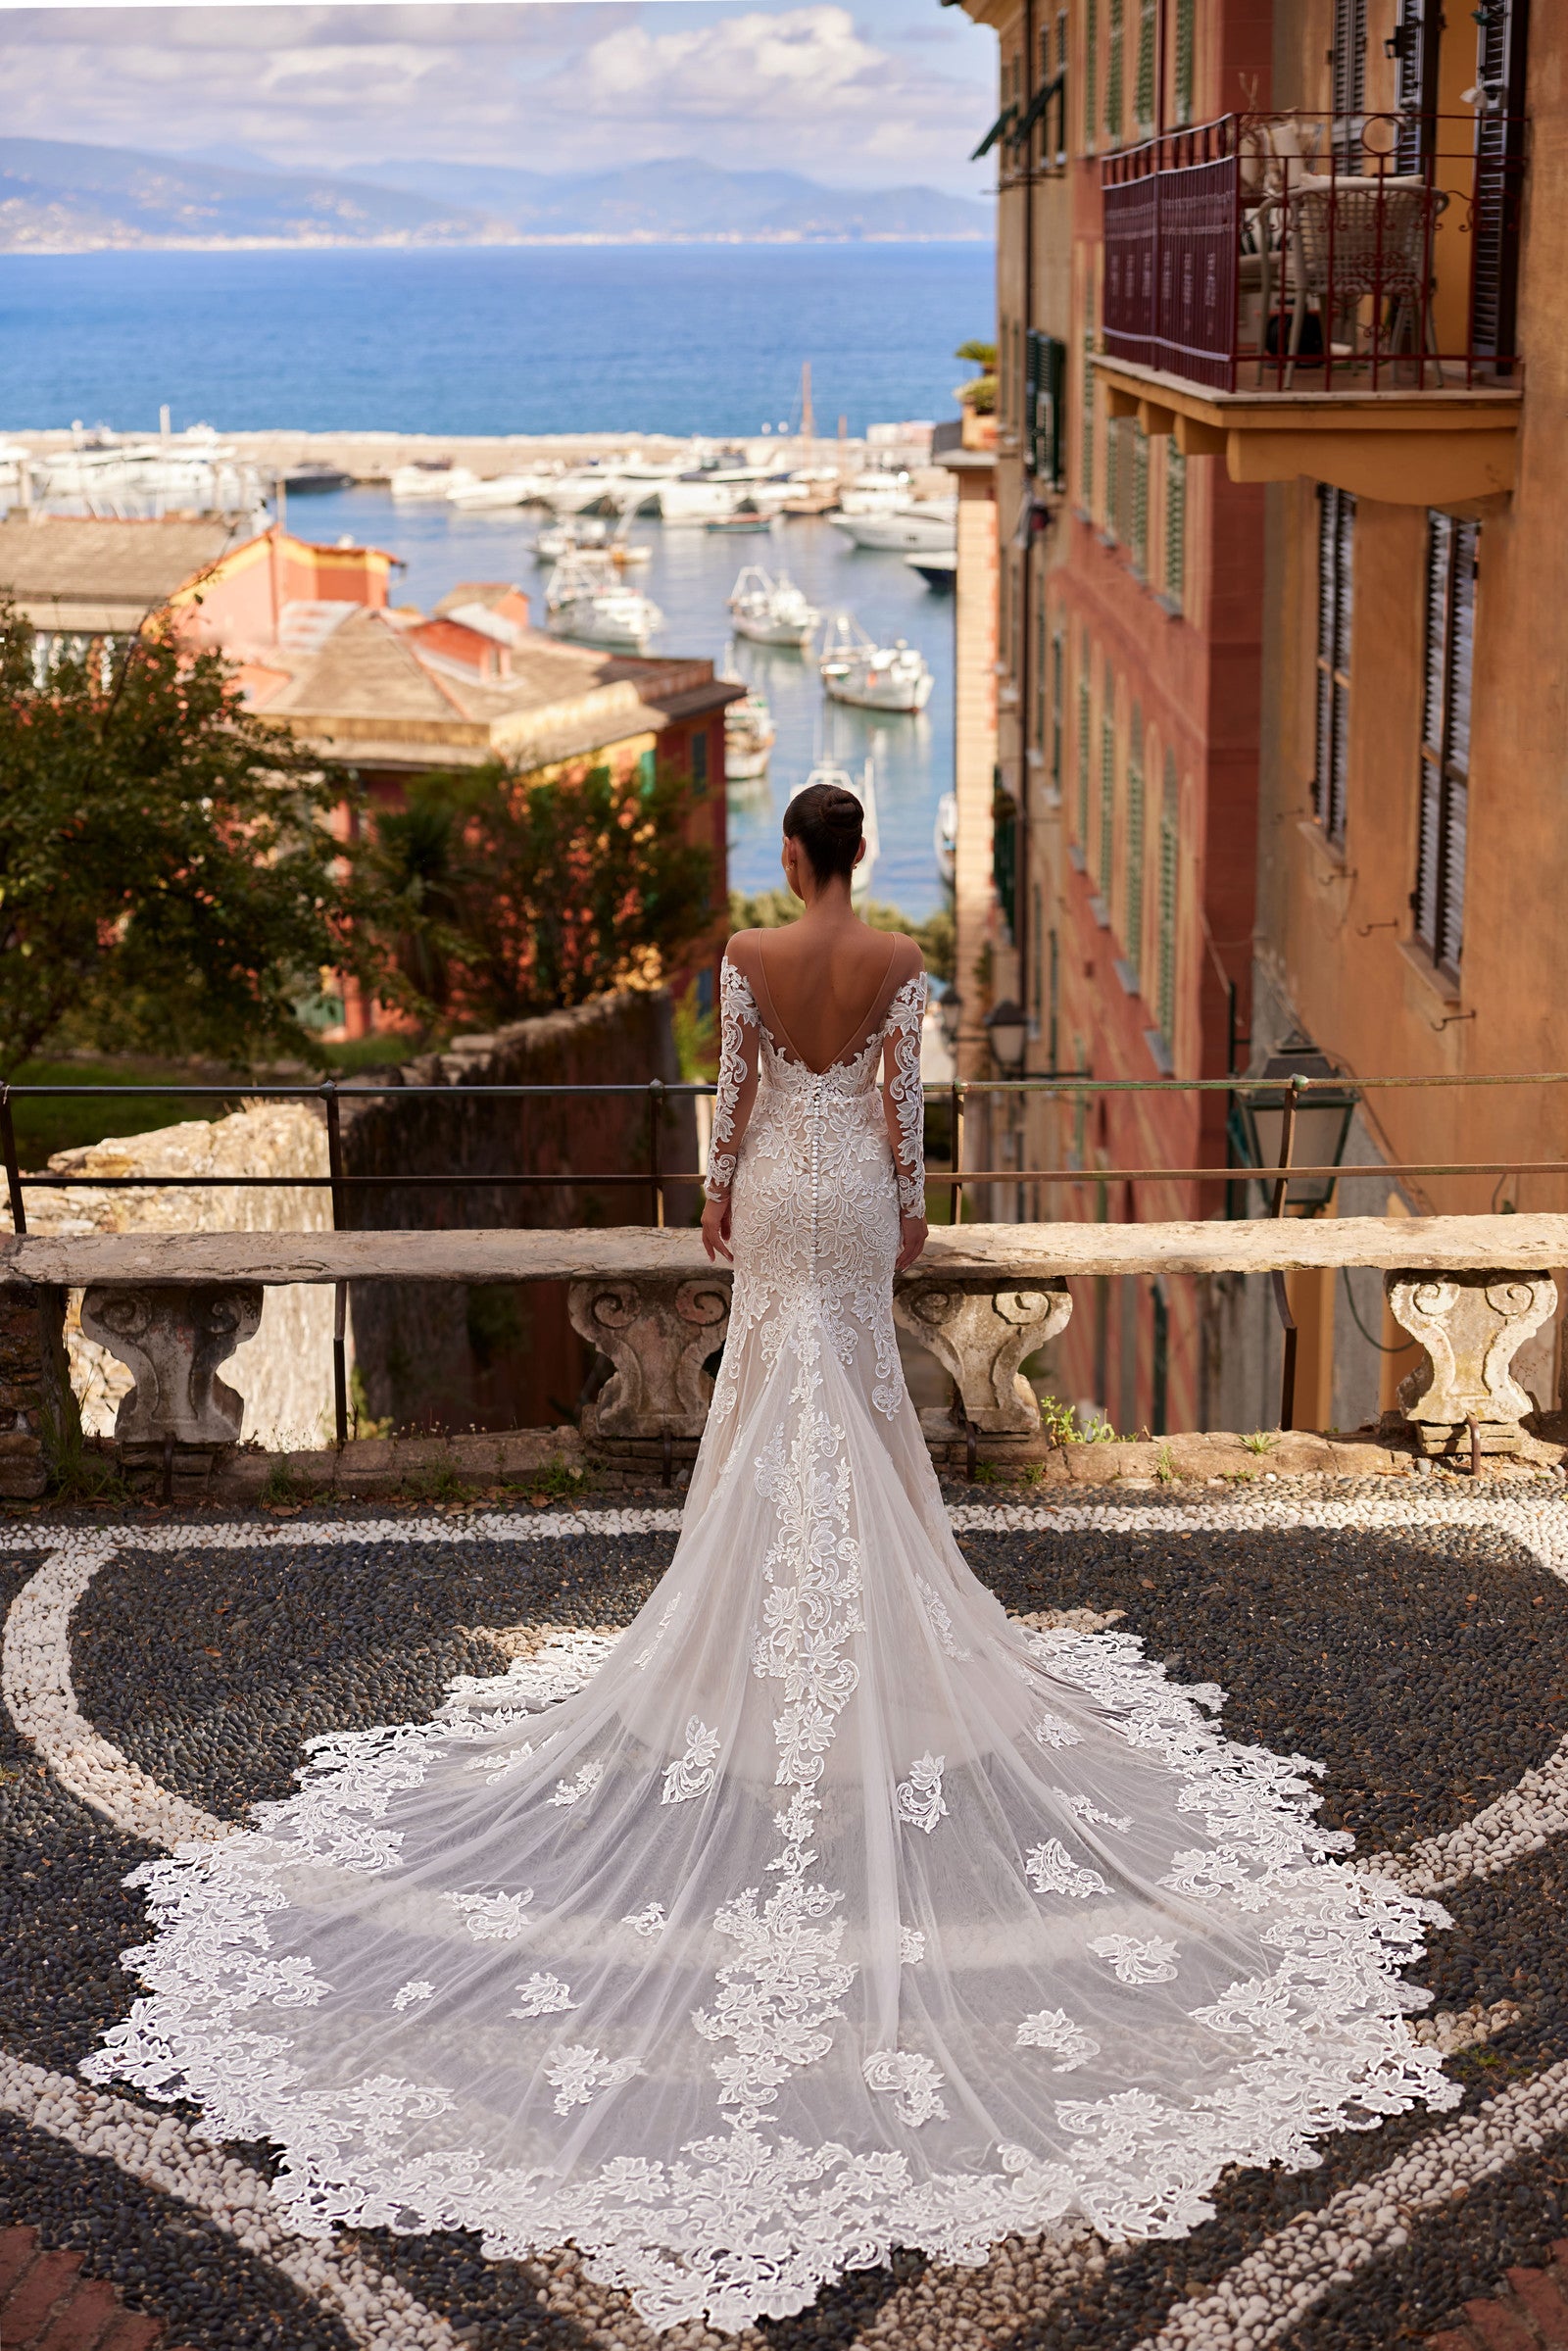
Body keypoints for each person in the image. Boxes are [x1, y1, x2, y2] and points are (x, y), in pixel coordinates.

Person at [87, 783, 1456, 2337]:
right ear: (858, 859)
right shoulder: (894, 961)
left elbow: (726, 1102)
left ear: (787, 854)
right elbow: (901, 1111)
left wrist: (721, 1195)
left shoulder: (741, 953)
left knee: (765, 1410)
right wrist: (916, 1220)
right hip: (857, 1202)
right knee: (861, 1411)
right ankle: (872, 1622)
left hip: (780, 1199)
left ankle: (743, 1634)